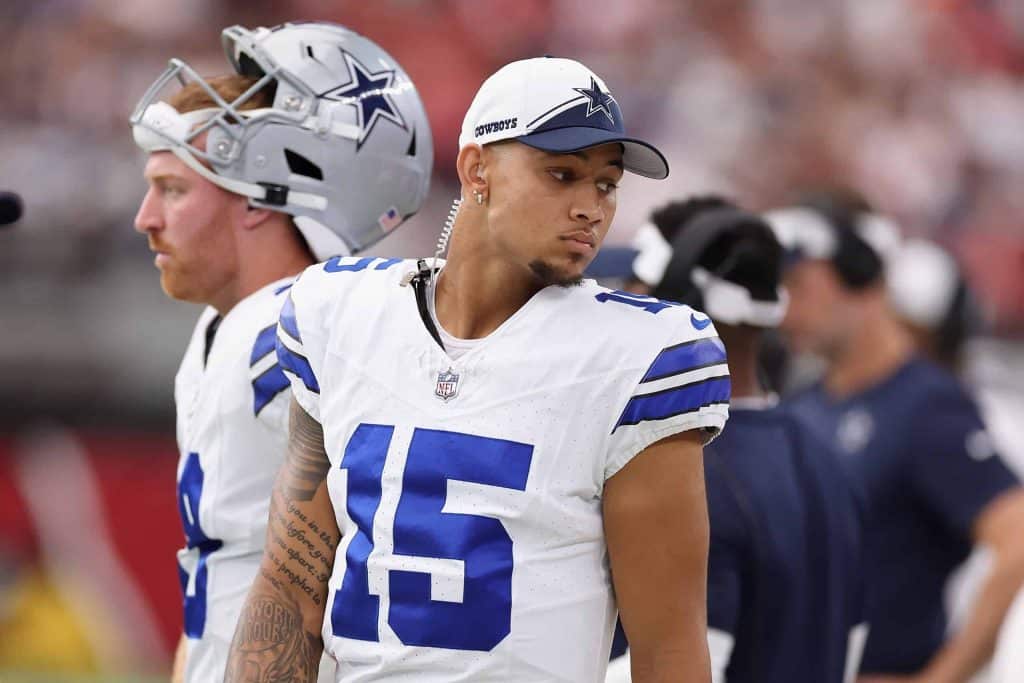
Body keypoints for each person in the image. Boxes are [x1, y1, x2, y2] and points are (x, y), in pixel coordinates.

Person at [226, 56, 728, 682]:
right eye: (562, 173)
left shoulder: (637, 357)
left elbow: (669, 650)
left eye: (605, 184)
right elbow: (290, 587)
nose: (590, 208)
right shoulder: (340, 315)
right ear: (475, 168)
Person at [130, 21, 432, 683]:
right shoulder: (228, 330)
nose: (145, 217)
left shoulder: (304, 334)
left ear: (265, 195)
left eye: (174, 189)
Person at [606, 198, 868, 683]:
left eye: (637, 290)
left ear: (678, 300)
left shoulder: (689, 466)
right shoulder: (826, 453)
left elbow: (683, 664)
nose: (625, 305)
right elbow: (851, 642)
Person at [768, 190, 1024, 682]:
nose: (785, 309)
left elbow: (1016, 543)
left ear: (860, 276)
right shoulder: (803, 404)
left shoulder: (926, 406)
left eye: (799, 284)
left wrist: (940, 678)